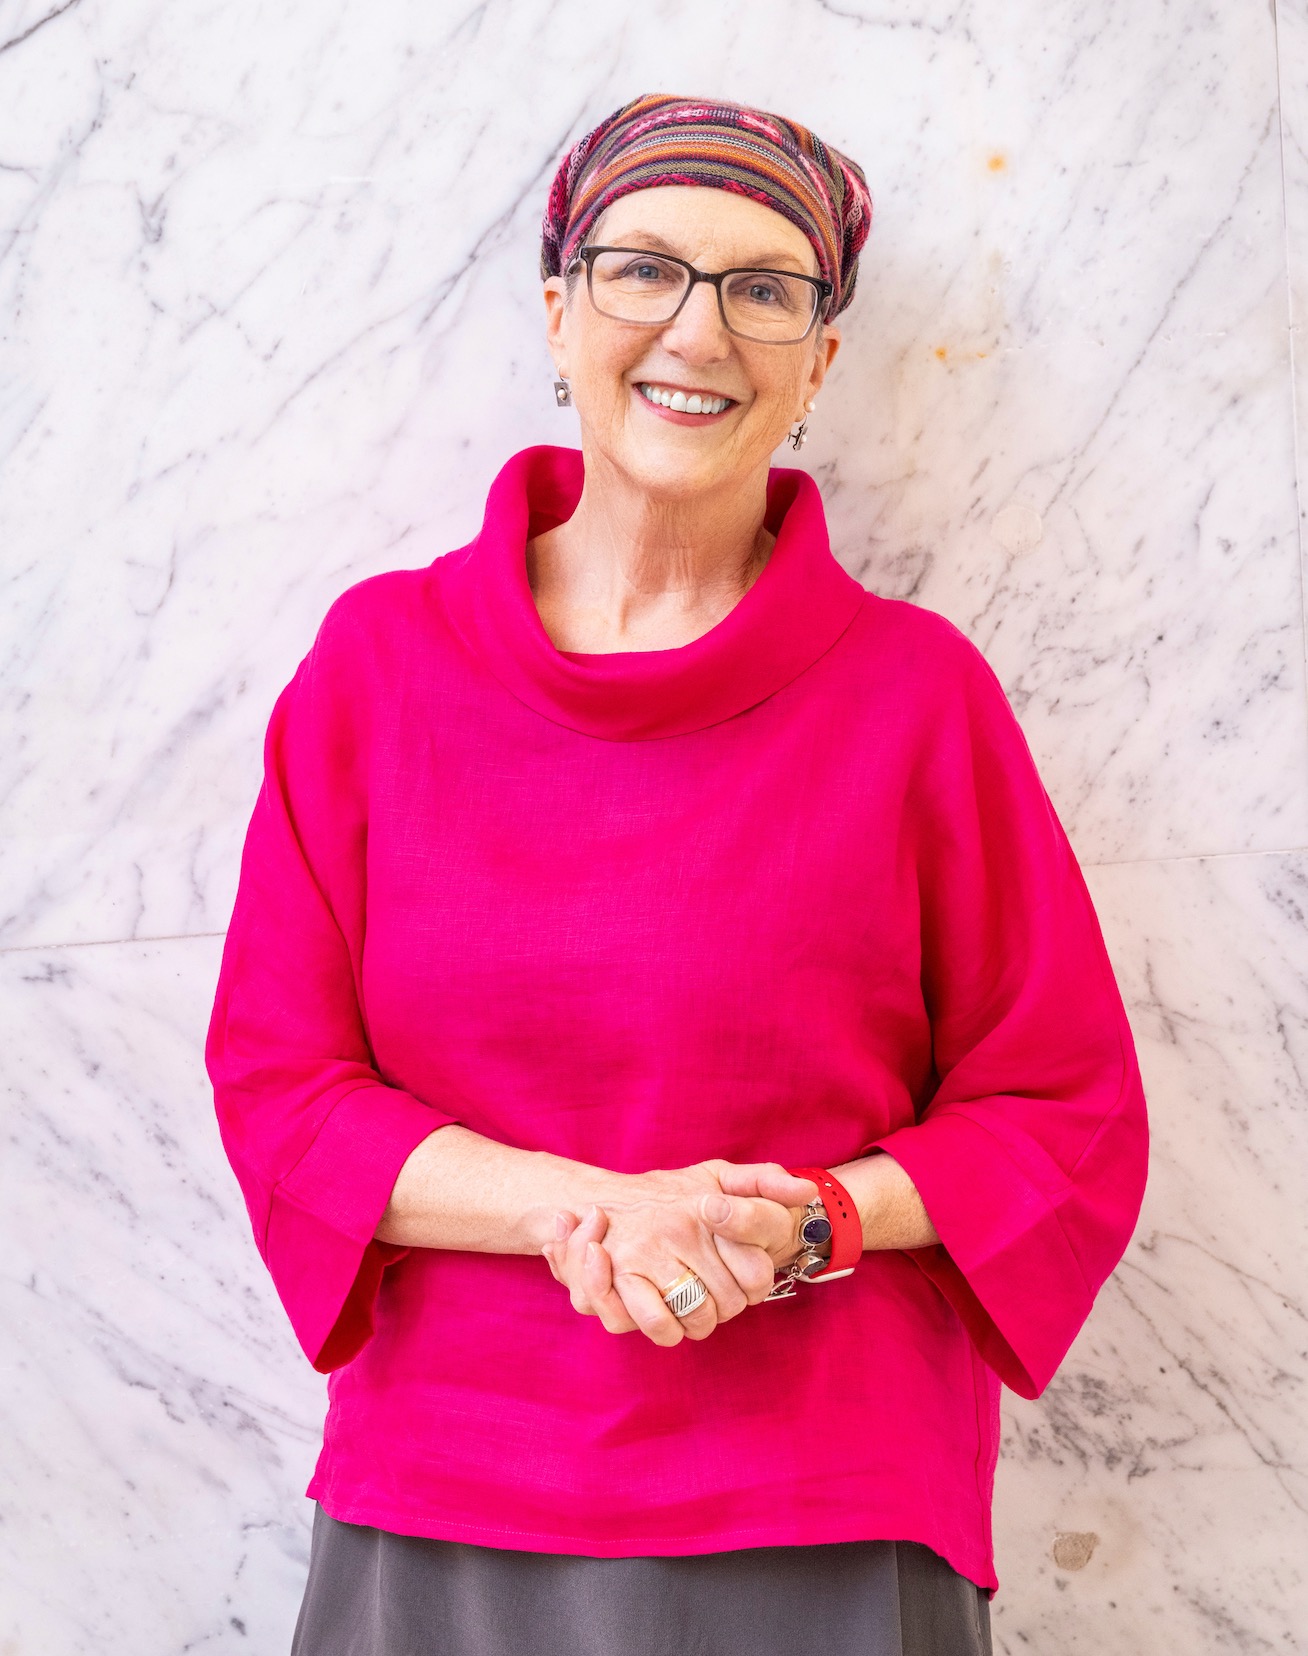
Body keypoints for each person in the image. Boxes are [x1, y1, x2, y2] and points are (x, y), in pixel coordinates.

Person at [206, 92, 1149, 1656]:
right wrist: (597, 1214)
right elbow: (284, 1091)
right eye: (644, 267)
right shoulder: (377, 669)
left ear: (820, 359)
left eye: (763, 289)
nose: (697, 331)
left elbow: (1060, 1111)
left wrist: (806, 1227)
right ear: (559, 308)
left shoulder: (918, 698)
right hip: (445, 1493)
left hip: (828, 1502)